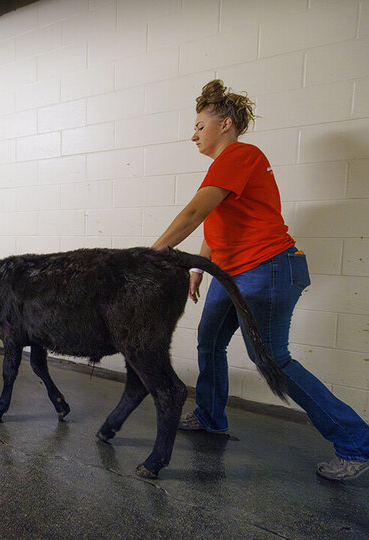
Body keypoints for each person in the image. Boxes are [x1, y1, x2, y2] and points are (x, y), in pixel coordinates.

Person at [152, 79, 369, 481]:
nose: (193, 134)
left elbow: (193, 214)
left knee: (271, 359)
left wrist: (151, 255)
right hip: (233, 272)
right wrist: (198, 269)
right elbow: (215, 228)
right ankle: (211, 417)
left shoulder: (240, 155)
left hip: (267, 268)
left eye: (201, 126)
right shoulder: (224, 171)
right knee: (210, 340)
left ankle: (357, 442)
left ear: (226, 124)